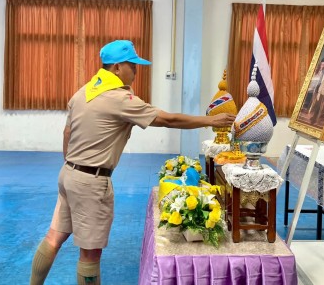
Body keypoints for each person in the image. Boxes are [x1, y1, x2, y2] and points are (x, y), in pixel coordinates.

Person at [29, 39, 236, 285]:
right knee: (90, 254)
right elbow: (167, 120)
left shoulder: (82, 92)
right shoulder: (118, 98)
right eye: (133, 66)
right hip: (91, 183)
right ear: (117, 68)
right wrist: (210, 121)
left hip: (68, 174)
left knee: (54, 237)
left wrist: (74, 166)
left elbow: (67, 134)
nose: (136, 72)